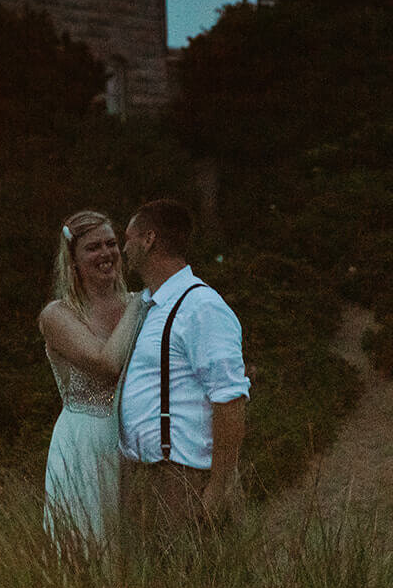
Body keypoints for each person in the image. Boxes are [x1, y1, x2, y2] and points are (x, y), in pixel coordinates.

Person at [115, 199, 250, 537]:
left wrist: (219, 486)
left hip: (182, 479)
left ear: (149, 239)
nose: (123, 248)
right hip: (142, 476)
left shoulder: (200, 306)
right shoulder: (151, 306)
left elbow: (230, 400)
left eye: (127, 238)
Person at [38, 210, 149, 550]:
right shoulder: (58, 315)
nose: (106, 254)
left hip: (137, 438)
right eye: (93, 247)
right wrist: (137, 303)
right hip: (84, 443)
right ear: (73, 260)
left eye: (112, 244)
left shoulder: (144, 304)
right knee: (89, 551)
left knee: (137, 550)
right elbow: (106, 364)